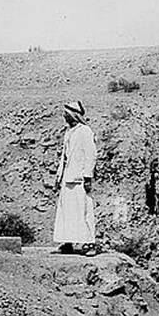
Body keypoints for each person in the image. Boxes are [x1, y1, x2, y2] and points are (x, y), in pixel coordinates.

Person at [53, 100, 97, 253]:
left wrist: (87, 176)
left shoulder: (85, 131)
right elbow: (64, 158)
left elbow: (91, 155)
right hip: (68, 177)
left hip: (79, 179)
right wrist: (59, 177)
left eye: (66, 114)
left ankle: (90, 243)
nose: (64, 116)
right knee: (67, 211)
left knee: (84, 211)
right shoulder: (68, 132)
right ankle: (68, 242)